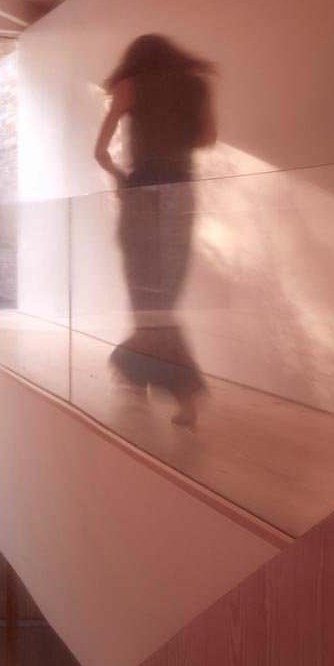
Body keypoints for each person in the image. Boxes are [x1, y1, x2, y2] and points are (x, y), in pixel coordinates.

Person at [94, 34, 217, 426]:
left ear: (135, 60)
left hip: (142, 194)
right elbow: (207, 140)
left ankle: (135, 366)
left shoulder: (129, 86)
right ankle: (141, 375)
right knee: (162, 300)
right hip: (182, 192)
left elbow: (99, 151)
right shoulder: (196, 85)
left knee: (147, 300)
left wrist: (117, 175)